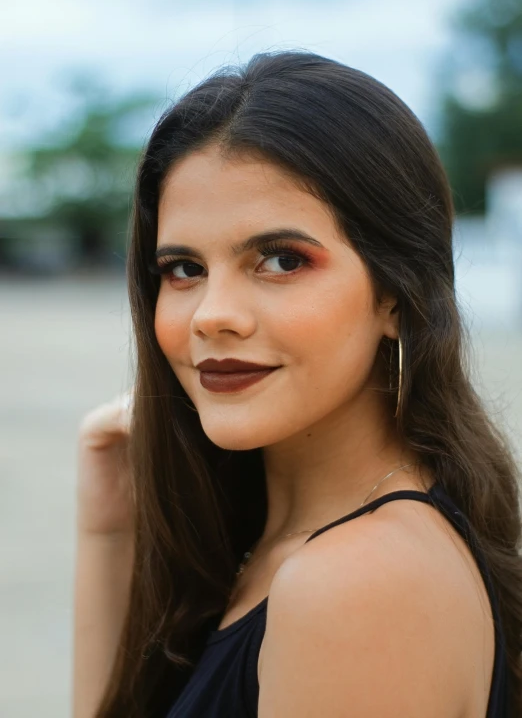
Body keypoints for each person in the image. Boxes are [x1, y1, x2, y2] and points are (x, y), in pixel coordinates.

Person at [72, 50, 522, 718]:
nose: (213, 313)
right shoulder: (276, 547)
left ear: (396, 295)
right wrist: (109, 531)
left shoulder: (357, 585)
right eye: (184, 268)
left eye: (281, 260)